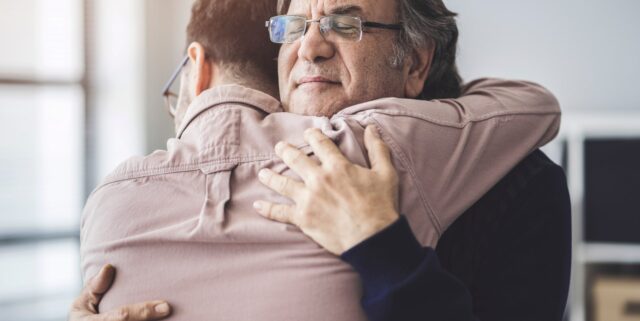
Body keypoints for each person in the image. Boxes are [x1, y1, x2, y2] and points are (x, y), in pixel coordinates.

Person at [70, 0, 568, 320]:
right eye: (293, 27)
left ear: (415, 63)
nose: (309, 46)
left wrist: (379, 245)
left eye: (343, 23)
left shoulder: (518, 182)